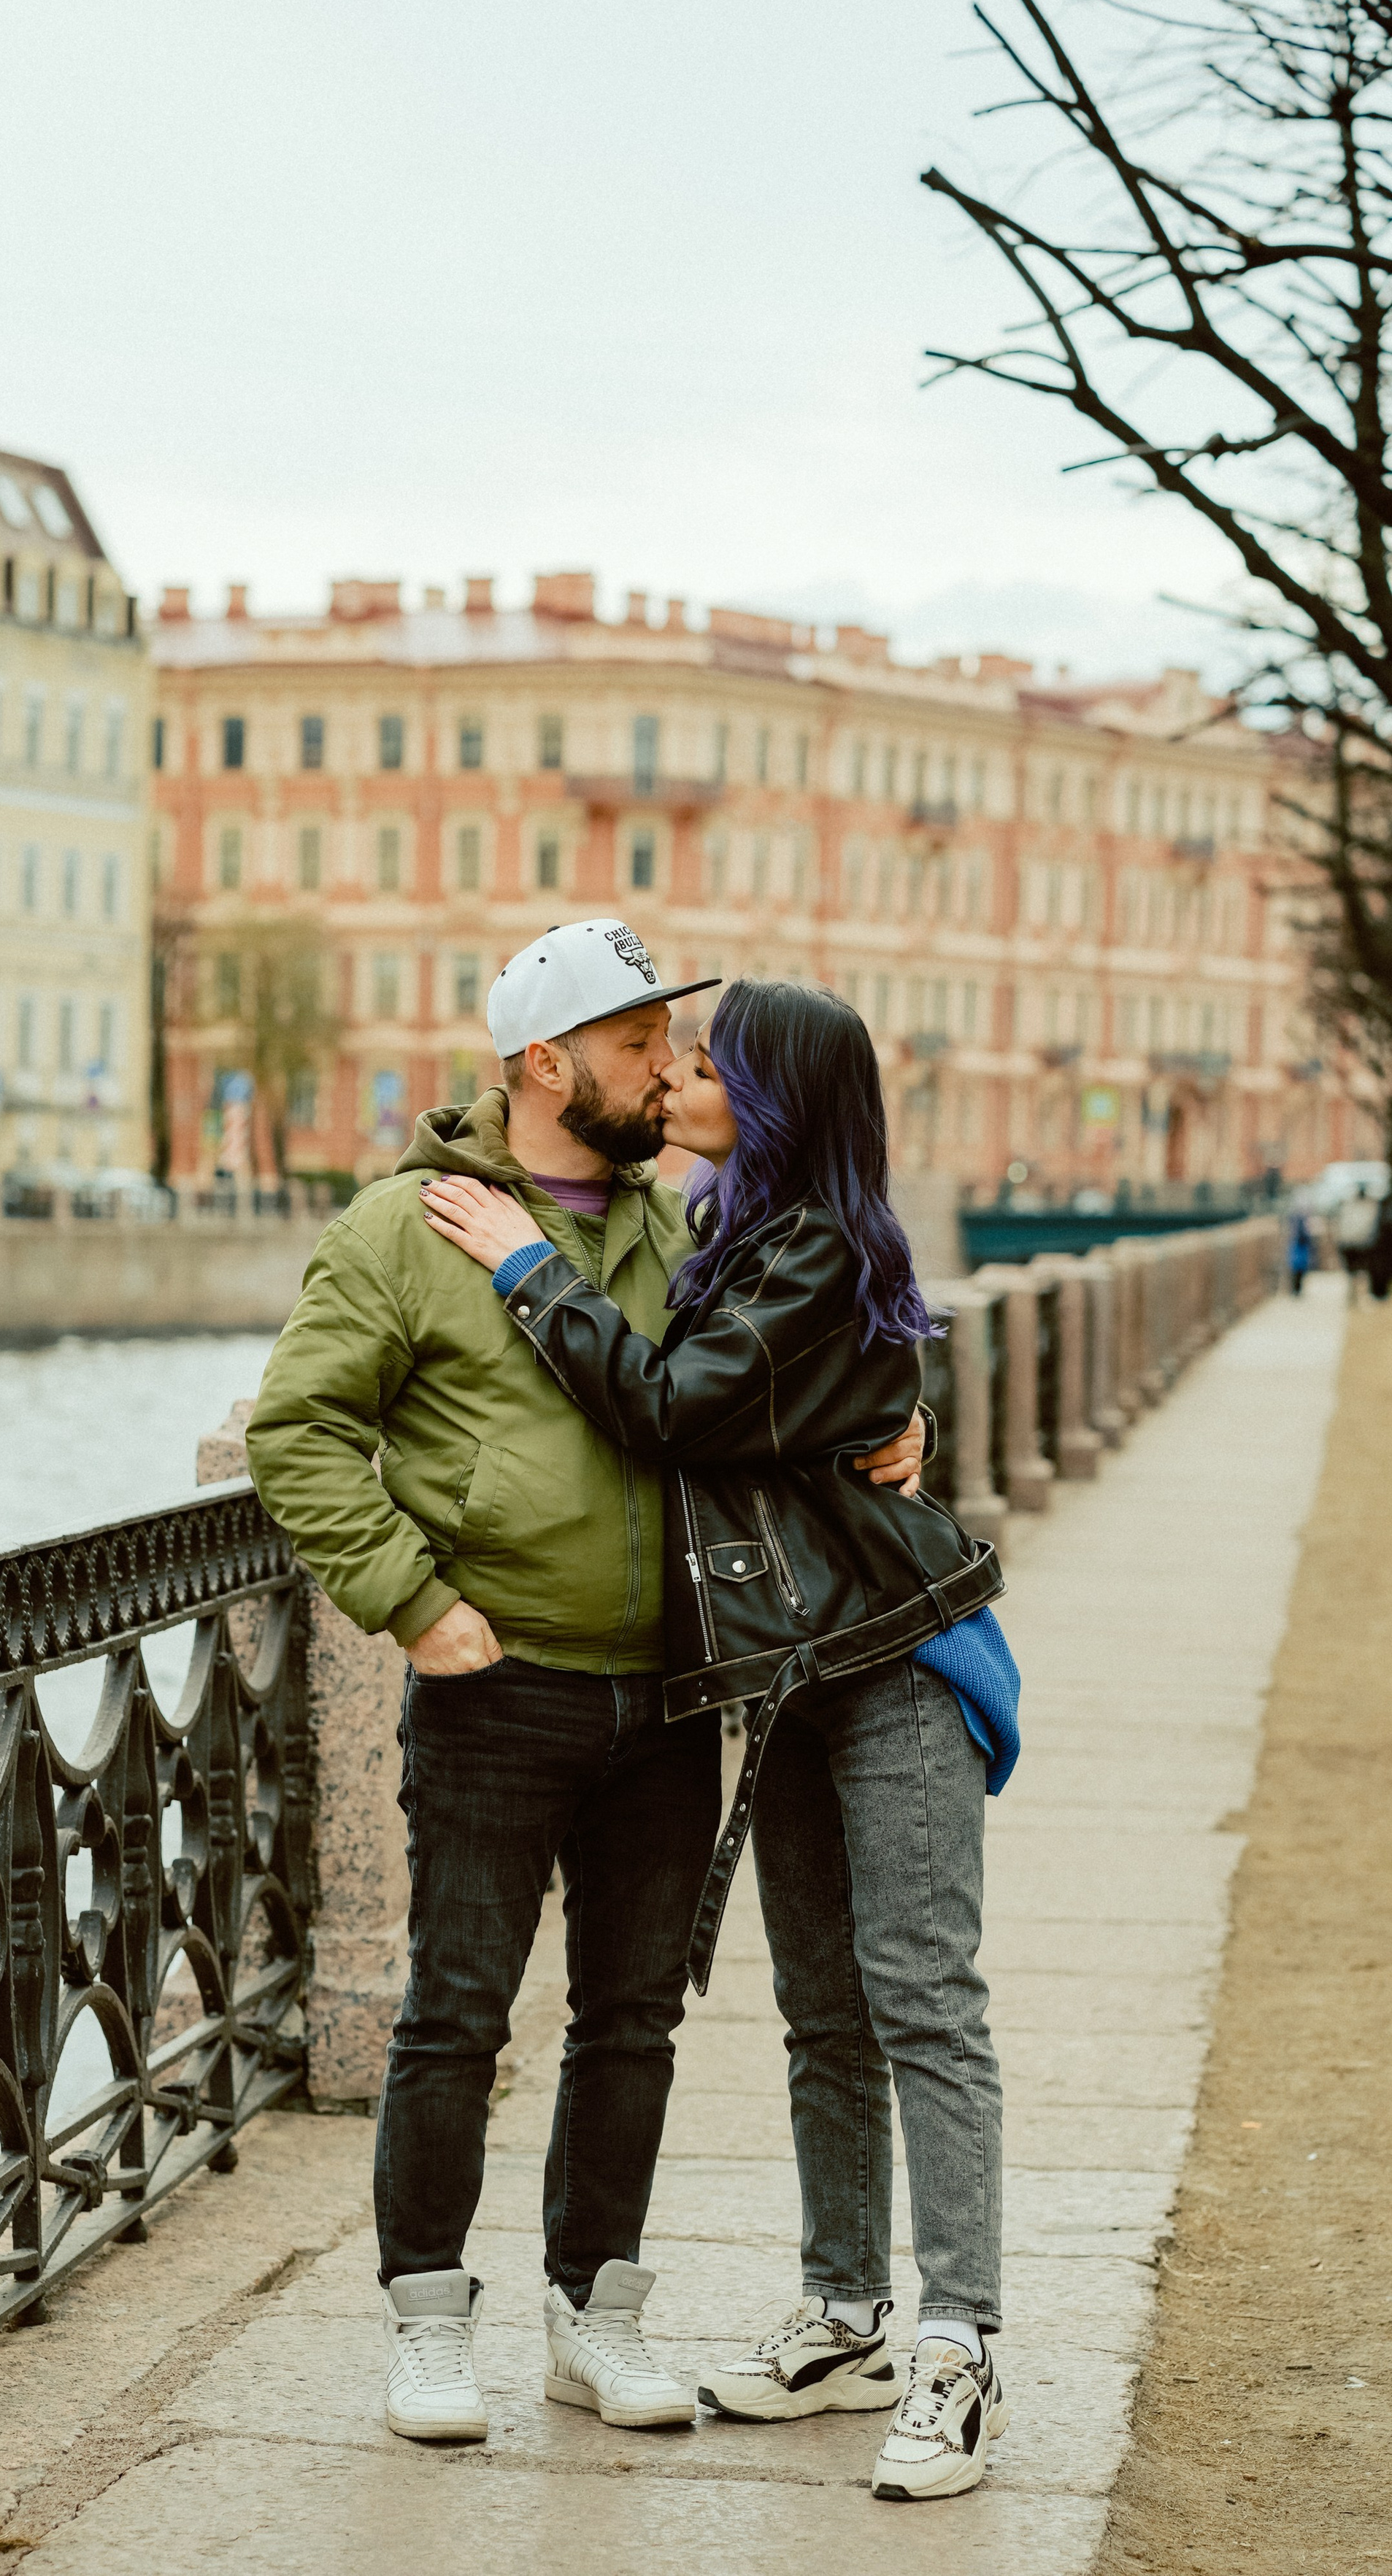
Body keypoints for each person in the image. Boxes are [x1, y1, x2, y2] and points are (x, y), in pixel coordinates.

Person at [245, 922, 926, 2445]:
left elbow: (781, 1365)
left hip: (670, 1691)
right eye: (636, 1044)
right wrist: (413, 1602)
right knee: (455, 2017)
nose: (667, 1070)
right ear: (546, 1065)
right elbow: (298, 1433)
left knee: (632, 2021)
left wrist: (897, 1420)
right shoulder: (401, 1230)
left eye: (671, 1043)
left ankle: (593, 2317)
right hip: (497, 1684)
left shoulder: (680, 1229)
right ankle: (430, 2326)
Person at [421, 976, 1019, 2504]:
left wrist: (523, 1267)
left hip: (893, 1663)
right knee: (823, 2012)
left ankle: (960, 2348)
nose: (675, 1078)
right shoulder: (735, 1233)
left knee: (921, 2003)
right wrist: (898, 1409)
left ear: (770, 1100)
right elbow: (806, 1398)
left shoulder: (812, 1245)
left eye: (704, 1063)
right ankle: (845, 2316)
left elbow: (674, 1408)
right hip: (796, 1673)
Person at [1287, 1208, 1315, 1296]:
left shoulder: (1297, 1225)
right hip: (1300, 1249)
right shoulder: (1301, 1224)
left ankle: (1296, 1290)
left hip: (1299, 1250)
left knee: (1298, 1271)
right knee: (1298, 1271)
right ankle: (1296, 1290)